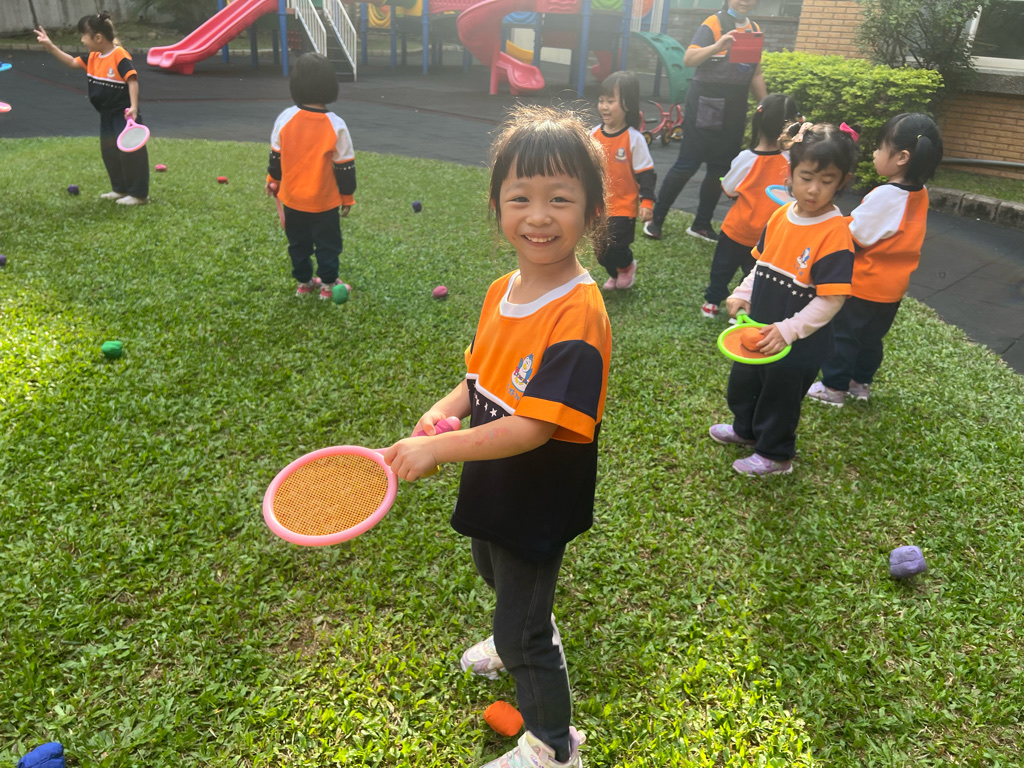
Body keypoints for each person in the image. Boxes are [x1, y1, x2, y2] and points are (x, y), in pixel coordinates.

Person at [382, 105, 611, 768]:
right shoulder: (500, 291)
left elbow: (535, 426)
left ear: (592, 211)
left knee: (523, 629)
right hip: (494, 479)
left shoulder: (579, 314)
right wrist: (442, 410)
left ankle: (553, 747)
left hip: (538, 493)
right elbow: (477, 378)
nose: (539, 216)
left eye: (560, 199)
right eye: (521, 198)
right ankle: (524, 622)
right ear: (496, 206)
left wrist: (437, 449)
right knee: (492, 567)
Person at [709, 122, 858, 476]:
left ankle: (775, 454)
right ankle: (746, 430)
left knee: (780, 397)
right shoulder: (779, 215)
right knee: (745, 383)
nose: (814, 189)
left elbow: (832, 300)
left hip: (799, 343)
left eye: (827, 180)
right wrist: (742, 292)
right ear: (790, 173)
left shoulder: (835, 235)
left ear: (843, 182)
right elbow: (760, 265)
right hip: (760, 327)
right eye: (806, 177)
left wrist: (788, 330)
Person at [806, 113, 944, 406]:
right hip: (890, 290)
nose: (874, 153)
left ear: (902, 157)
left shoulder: (886, 195)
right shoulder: (919, 193)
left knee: (843, 336)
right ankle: (859, 384)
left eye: (880, 148)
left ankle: (833, 388)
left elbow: (855, 237)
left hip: (862, 286)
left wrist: (830, 224)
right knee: (869, 339)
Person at [643, 0, 767, 243]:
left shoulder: (753, 29)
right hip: (705, 102)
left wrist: (765, 103)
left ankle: (701, 224)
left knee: (720, 169)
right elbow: (689, 58)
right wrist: (717, 46)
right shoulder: (714, 23)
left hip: (735, 106)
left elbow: (755, 73)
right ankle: (656, 219)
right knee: (687, 164)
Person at [700, 93, 800, 319]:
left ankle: (712, 302)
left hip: (736, 230)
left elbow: (729, 188)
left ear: (758, 120)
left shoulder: (746, 158)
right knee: (754, 275)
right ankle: (741, 308)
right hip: (769, 236)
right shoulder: (793, 161)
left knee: (722, 269)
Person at [266, 53, 356, 299]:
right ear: (331, 85)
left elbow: (276, 157)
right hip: (324, 203)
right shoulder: (336, 125)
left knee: (298, 244)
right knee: (328, 245)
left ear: (295, 84)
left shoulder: (285, 118)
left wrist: (273, 181)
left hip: (293, 200)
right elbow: (345, 167)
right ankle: (327, 286)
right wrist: (347, 197)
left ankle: (304, 284)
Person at [35, 13, 150, 205]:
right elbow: (72, 63)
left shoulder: (119, 55)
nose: (82, 40)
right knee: (110, 152)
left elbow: (132, 80)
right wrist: (51, 46)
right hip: (106, 114)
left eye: (84, 35)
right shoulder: (93, 57)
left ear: (98, 37)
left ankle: (139, 195)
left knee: (131, 153)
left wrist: (133, 107)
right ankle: (120, 189)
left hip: (124, 115)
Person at [590, 71, 656, 291]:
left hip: (623, 206)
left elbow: (646, 173)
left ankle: (626, 266)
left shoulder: (634, 139)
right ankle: (614, 273)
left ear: (627, 104)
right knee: (599, 250)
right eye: (601, 101)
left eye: (611, 101)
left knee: (617, 246)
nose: (604, 107)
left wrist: (647, 202)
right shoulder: (593, 135)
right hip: (597, 206)